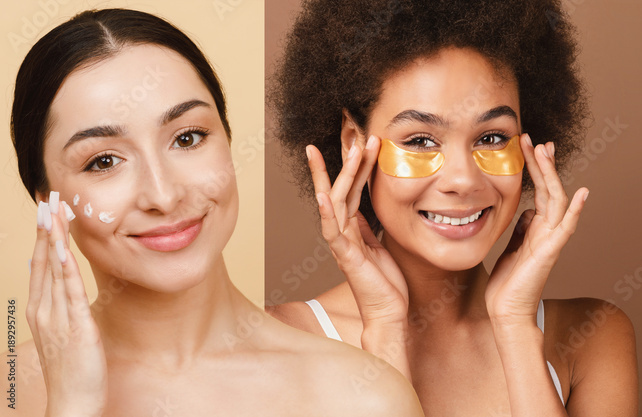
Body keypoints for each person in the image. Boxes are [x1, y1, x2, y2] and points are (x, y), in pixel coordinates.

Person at [9, 9, 421, 416]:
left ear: (226, 137)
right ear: (46, 198)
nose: (164, 196)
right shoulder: (12, 392)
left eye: (188, 138)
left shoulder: (363, 395)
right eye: (103, 162)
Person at [267, 0, 639, 415]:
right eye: (421, 141)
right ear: (355, 142)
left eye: (492, 138)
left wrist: (515, 328)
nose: (463, 180)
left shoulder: (590, 337)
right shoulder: (281, 341)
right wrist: (385, 330)